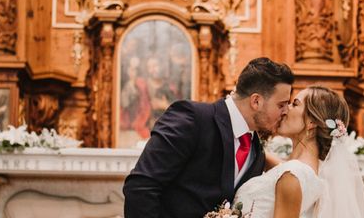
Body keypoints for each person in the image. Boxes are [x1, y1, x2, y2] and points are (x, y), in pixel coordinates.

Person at [123, 57, 294, 218]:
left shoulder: (256, 151)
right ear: (256, 101)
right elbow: (141, 187)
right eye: (281, 104)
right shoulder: (193, 118)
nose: (286, 111)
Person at [234, 86, 364, 218]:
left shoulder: (293, 174)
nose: (285, 109)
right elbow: (268, 160)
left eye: (294, 104)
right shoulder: (304, 171)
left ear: (312, 122)